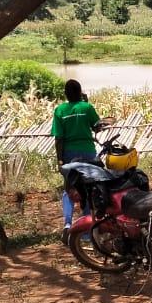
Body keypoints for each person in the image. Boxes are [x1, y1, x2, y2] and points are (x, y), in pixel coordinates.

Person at [52, 79, 100, 243]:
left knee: (69, 190)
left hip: (69, 154)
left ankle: (67, 224)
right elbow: (97, 126)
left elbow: (58, 138)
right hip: (88, 152)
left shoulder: (60, 110)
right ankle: (86, 233)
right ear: (80, 92)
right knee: (88, 189)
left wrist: (60, 159)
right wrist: (85, 103)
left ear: (65, 94)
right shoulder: (86, 107)